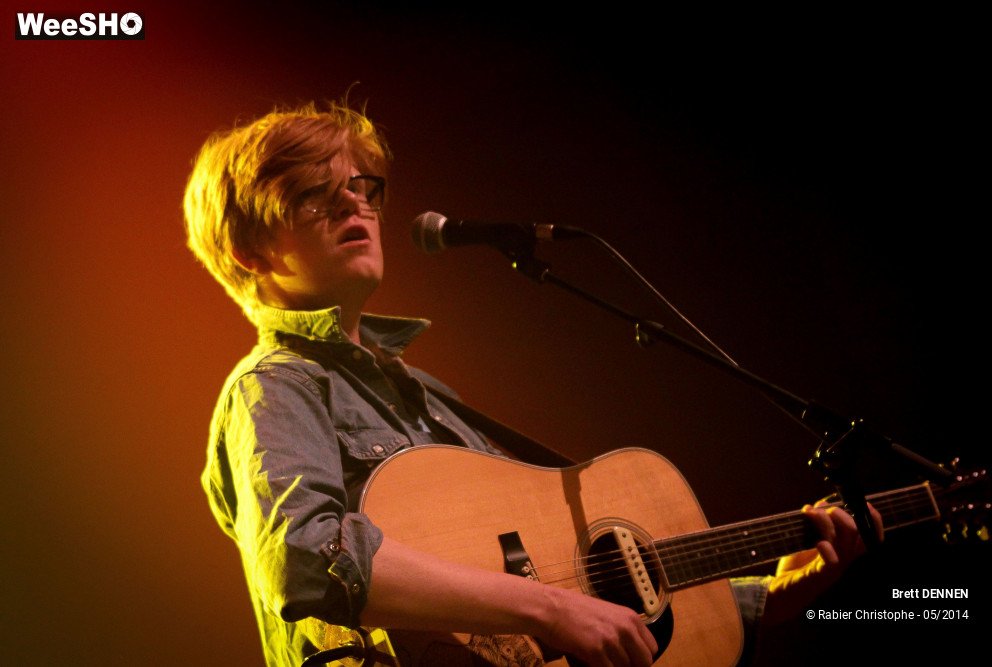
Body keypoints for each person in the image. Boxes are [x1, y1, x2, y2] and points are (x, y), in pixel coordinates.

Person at [184, 102, 880, 667]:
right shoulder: (273, 388)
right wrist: (550, 610)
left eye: (362, 186)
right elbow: (306, 561)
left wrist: (768, 594)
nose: (353, 204)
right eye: (313, 192)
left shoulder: (427, 394)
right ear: (248, 249)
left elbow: (556, 575)